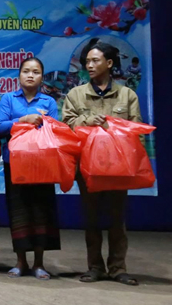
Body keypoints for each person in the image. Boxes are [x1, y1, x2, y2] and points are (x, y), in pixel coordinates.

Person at [62, 43, 141, 286]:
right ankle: (95, 267)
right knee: (92, 218)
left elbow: (137, 128)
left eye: (95, 61)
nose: (90, 65)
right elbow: (66, 124)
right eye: (87, 61)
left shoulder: (127, 95)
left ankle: (118, 268)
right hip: (88, 167)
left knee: (117, 219)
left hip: (118, 167)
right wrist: (86, 120)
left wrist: (113, 125)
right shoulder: (75, 94)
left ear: (109, 63)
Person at [0, 57, 60, 280]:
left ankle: (39, 264)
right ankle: (20, 262)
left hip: (43, 164)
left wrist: (42, 122)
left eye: (35, 72)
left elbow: (57, 129)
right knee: (19, 212)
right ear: (19, 75)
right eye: (26, 71)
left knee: (42, 212)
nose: (30, 75)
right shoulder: (8, 99)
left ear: (42, 77)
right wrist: (24, 119)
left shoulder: (49, 102)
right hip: (16, 163)